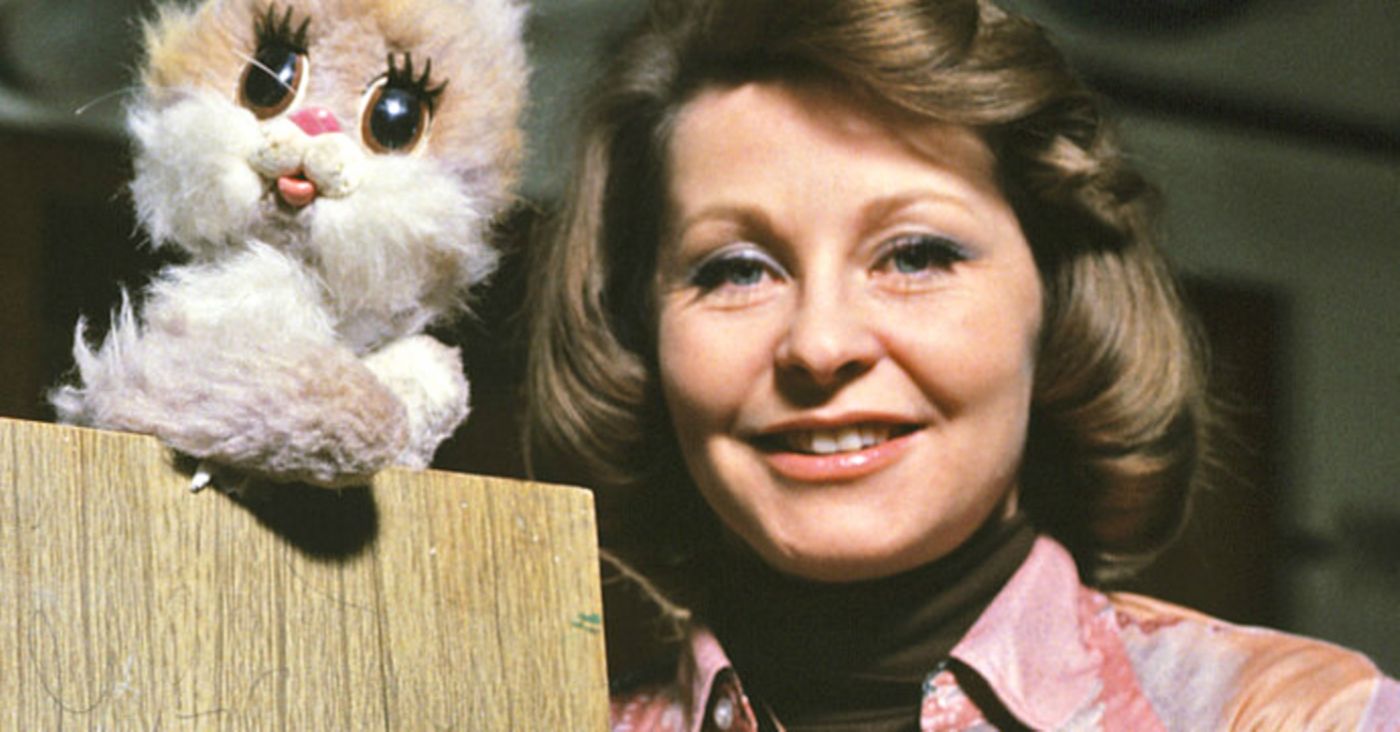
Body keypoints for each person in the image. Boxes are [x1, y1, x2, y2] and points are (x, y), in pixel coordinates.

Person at [524, 0, 1400, 729]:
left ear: (1058, 305)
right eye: (736, 270)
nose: (821, 345)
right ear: (640, 335)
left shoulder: (1299, 717)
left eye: (915, 255)